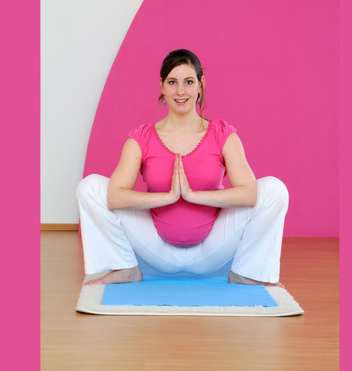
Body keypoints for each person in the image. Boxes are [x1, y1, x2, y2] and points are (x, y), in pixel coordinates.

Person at [76, 49, 288, 287]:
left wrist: (192, 196)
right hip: (156, 247)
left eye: (188, 82)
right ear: (162, 85)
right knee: (90, 187)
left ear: (200, 84)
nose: (180, 91)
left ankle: (247, 273)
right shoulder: (142, 137)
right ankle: (126, 269)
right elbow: (114, 197)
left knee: (274, 189)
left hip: (212, 248)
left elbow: (249, 194)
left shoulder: (222, 134)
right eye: (172, 82)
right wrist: (168, 197)